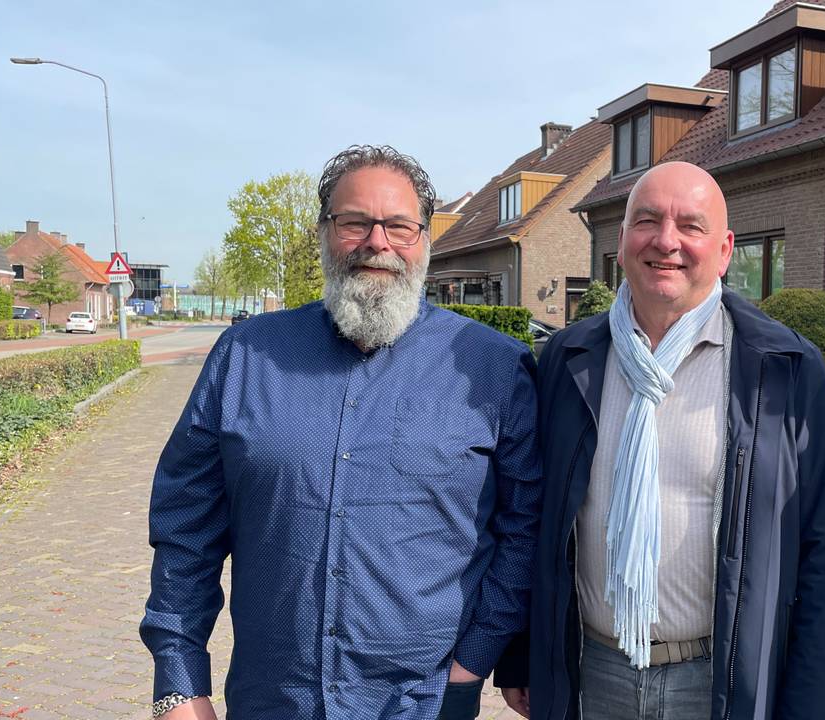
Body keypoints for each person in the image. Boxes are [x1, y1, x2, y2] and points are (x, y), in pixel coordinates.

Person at [140, 145, 542, 720]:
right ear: (323, 233)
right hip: (272, 699)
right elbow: (187, 527)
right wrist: (178, 685)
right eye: (354, 222)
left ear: (425, 238)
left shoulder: (494, 367)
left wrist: (476, 656)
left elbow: (526, 525)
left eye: (399, 225)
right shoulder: (246, 357)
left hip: (426, 701)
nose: (377, 242)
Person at [494, 161, 825, 720]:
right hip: (590, 672)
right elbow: (534, 517)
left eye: (691, 225)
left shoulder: (784, 369)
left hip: (722, 683)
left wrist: (813, 704)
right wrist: (522, 654)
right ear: (621, 241)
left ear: (725, 250)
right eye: (647, 221)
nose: (666, 241)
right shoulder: (566, 361)